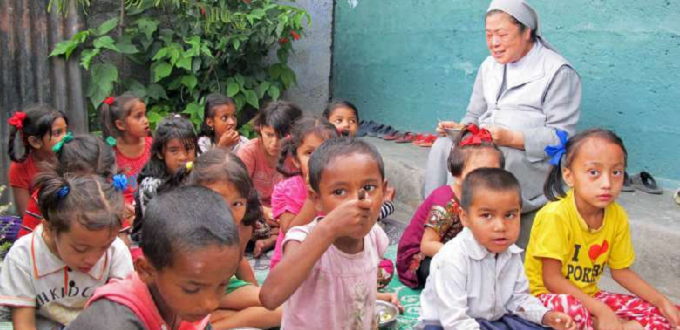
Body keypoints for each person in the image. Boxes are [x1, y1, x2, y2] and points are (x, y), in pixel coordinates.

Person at [424, 0, 582, 216]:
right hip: (489, 143)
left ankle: (474, 222)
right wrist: (461, 129)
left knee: (489, 157)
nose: (494, 43)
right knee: (443, 146)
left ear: (526, 32)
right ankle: (435, 218)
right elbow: (474, 115)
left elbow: (561, 137)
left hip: (528, 158)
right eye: (489, 35)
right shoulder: (488, 67)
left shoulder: (558, 72)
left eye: (502, 34)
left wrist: (510, 138)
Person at [525, 129, 680, 330]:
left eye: (616, 172)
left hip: (590, 296)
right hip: (547, 298)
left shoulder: (617, 216)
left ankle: (612, 324)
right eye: (593, 172)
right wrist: (602, 311)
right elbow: (551, 279)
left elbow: (620, 271)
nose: (606, 184)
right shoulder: (556, 215)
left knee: (665, 313)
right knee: (572, 313)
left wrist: (661, 301)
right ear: (569, 176)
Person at [418, 168, 575, 330]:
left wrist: (546, 316)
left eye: (509, 215)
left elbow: (519, 300)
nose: (500, 227)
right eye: (487, 215)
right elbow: (454, 321)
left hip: (493, 320)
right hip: (447, 325)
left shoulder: (511, 253)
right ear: (465, 217)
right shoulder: (452, 258)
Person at [67, 185, 242, 330]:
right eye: (191, 289)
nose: (210, 304)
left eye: (222, 284)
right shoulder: (113, 323)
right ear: (145, 269)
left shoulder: (184, 308)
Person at [259, 138, 390, 330]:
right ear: (316, 199)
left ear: (384, 191)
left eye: (369, 188)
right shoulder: (302, 238)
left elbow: (362, 298)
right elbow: (270, 297)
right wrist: (328, 229)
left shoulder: (375, 236)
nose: (357, 201)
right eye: (339, 192)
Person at [0, 173, 133, 330]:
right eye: (81, 249)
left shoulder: (116, 251)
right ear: (49, 229)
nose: (92, 259)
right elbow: (24, 325)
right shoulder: (23, 256)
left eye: (104, 248)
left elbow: (120, 319)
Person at [397, 125, 505, 289]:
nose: (486, 180)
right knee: (450, 275)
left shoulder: (484, 198)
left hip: (457, 252)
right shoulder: (446, 202)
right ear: (456, 174)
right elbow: (427, 245)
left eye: (493, 173)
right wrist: (464, 257)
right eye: (478, 173)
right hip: (421, 258)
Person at [185, 149, 281, 330]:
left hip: (224, 288)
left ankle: (217, 322)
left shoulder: (237, 227)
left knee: (278, 304)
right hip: (194, 294)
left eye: (237, 204)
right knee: (276, 310)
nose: (228, 212)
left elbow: (238, 258)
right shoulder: (184, 231)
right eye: (218, 200)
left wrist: (252, 287)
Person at [269, 117, 338, 269]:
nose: (317, 159)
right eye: (309, 153)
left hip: (328, 262)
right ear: (295, 160)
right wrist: (313, 198)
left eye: (325, 151)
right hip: (292, 267)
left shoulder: (340, 188)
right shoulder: (287, 189)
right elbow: (289, 230)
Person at [18, 134, 118, 238]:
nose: (89, 189)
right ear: (64, 173)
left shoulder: (108, 195)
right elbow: (26, 240)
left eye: (97, 182)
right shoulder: (47, 196)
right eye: (81, 183)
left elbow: (122, 235)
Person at [236, 101, 302, 257]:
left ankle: (271, 239)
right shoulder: (249, 152)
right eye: (269, 135)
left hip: (284, 213)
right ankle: (270, 237)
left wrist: (281, 214)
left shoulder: (296, 155)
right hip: (255, 211)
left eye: (281, 137)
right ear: (260, 129)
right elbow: (238, 191)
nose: (274, 143)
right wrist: (265, 212)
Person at [323, 101, 396, 221]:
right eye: (339, 121)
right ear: (325, 124)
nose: (347, 125)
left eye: (352, 121)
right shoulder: (324, 156)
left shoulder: (362, 154)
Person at [99, 92, 152, 230]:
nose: (145, 120)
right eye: (138, 116)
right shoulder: (110, 153)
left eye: (145, 114)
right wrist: (122, 208)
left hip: (152, 205)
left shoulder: (153, 146)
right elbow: (106, 191)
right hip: (122, 211)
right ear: (120, 124)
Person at [132, 114, 198, 224]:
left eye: (189, 148)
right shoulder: (151, 185)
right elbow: (158, 228)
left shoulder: (200, 175)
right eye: (174, 150)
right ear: (160, 153)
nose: (183, 157)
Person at [7, 105, 68, 218]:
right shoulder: (19, 168)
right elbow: (26, 215)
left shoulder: (73, 158)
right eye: (58, 133)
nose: (66, 137)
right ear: (35, 141)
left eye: (66, 130)